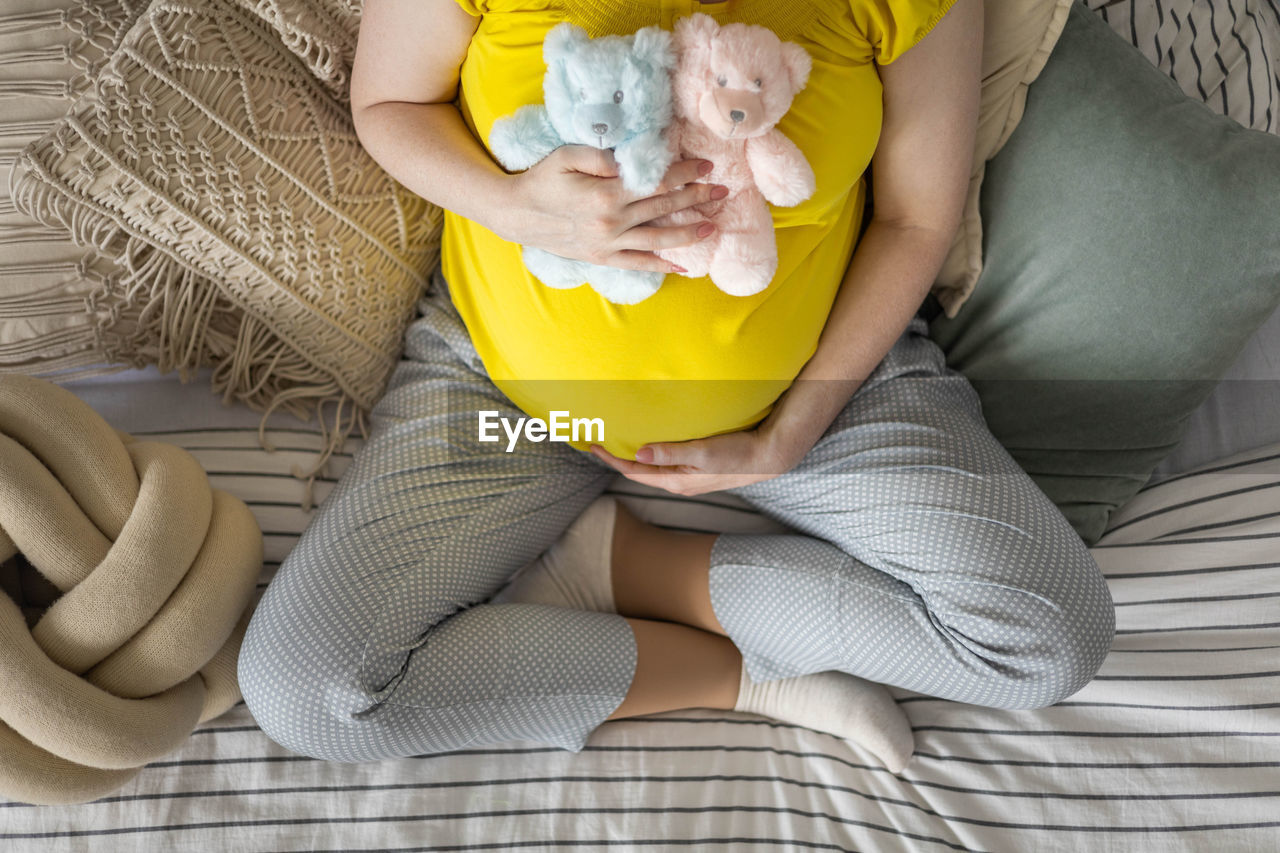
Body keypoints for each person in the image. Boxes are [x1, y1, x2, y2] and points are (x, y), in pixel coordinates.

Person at [237, 0, 1115, 774]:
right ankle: (743, 675)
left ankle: (630, 566)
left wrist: (792, 431)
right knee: (306, 688)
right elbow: (388, 106)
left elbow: (915, 218)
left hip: (821, 395)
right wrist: (515, 208)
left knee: (1048, 637)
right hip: (513, 404)